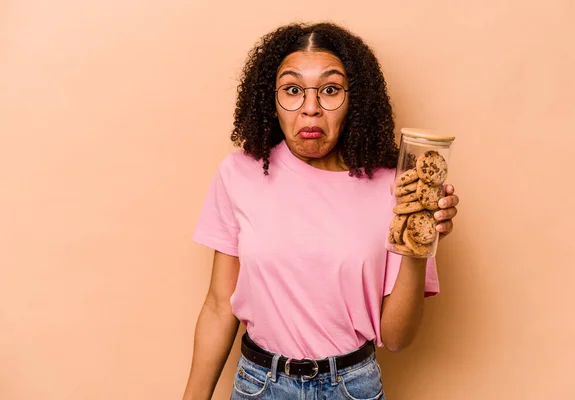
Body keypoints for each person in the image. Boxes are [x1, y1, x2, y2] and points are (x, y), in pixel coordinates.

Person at [182, 21, 459, 400]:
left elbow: (396, 338)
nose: (310, 109)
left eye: (330, 90)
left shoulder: (395, 187)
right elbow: (218, 306)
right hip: (259, 386)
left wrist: (419, 243)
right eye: (293, 90)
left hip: (353, 388)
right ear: (270, 99)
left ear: (354, 100)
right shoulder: (240, 173)